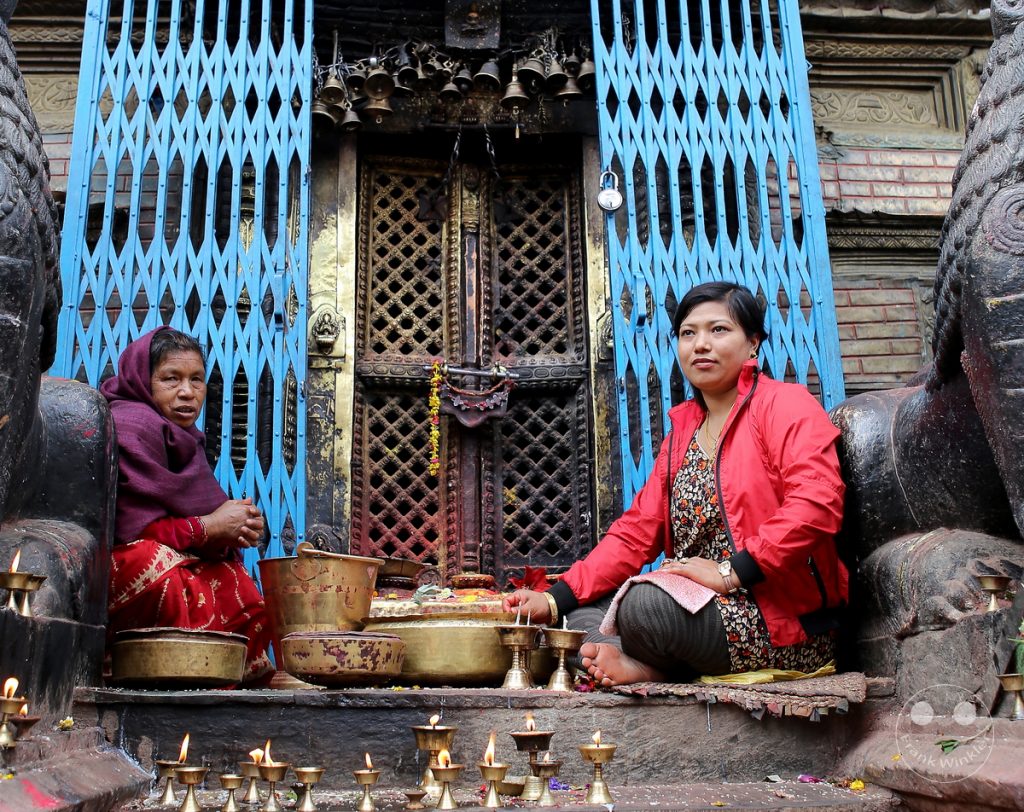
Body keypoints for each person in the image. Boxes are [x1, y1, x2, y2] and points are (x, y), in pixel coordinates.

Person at [504, 282, 847, 686]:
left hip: (777, 619)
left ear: (753, 342)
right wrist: (551, 598)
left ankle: (649, 665)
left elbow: (817, 503)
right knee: (575, 615)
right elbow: (635, 535)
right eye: (689, 333)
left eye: (718, 330)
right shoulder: (683, 434)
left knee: (642, 607)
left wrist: (731, 572)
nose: (701, 344)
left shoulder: (785, 405)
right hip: (696, 603)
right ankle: (638, 663)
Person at [100, 326, 272, 682]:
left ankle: (224, 676)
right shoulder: (132, 425)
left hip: (176, 550)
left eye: (196, 380)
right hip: (111, 565)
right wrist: (210, 527)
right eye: (170, 379)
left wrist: (238, 527)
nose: (187, 393)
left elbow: (200, 511)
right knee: (157, 568)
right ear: (142, 380)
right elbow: (131, 525)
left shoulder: (183, 439)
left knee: (236, 582)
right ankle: (147, 668)